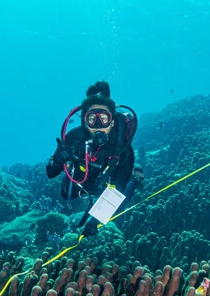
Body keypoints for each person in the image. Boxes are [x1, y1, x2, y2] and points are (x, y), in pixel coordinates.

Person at [46, 81, 144, 235]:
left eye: (103, 118)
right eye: (92, 119)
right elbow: (50, 172)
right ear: (85, 121)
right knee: (66, 194)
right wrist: (57, 160)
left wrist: (96, 221)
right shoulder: (74, 137)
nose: (98, 125)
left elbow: (117, 191)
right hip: (84, 177)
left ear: (112, 122)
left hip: (107, 182)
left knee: (121, 199)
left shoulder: (123, 148)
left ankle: (136, 177)